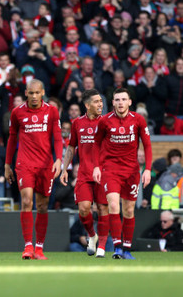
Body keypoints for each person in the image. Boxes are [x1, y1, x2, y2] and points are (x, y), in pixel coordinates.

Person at [5, 79, 63, 260]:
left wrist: (59, 160)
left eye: (38, 93)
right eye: (31, 93)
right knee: (27, 200)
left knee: (43, 206)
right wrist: (7, 164)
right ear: (26, 93)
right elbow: (12, 139)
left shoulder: (52, 111)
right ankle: (28, 246)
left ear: (43, 92)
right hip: (25, 164)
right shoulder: (17, 112)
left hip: (46, 164)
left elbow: (58, 137)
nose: (34, 96)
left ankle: (39, 248)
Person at [92, 87, 153, 260]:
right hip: (110, 169)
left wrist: (147, 169)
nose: (120, 103)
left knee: (128, 210)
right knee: (113, 205)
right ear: (112, 102)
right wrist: (97, 166)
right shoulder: (104, 121)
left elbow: (147, 146)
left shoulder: (138, 120)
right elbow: (96, 145)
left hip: (132, 171)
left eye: (123, 99)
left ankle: (126, 248)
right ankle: (117, 247)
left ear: (129, 102)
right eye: (117, 100)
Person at [60, 89, 110, 258]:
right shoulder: (77, 123)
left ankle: (102, 246)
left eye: (101, 101)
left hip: (104, 173)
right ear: (87, 105)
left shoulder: (107, 122)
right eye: (96, 102)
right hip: (84, 174)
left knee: (103, 208)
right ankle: (92, 235)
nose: (100, 104)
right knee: (84, 209)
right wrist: (64, 169)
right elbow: (71, 147)